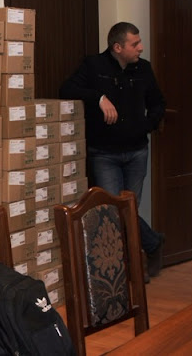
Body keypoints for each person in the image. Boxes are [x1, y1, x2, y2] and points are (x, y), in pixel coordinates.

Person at [60, 22, 166, 280]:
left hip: (137, 152)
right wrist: (99, 98)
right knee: (114, 210)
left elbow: (158, 103)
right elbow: (66, 89)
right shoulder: (93, 66)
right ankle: (151, 245)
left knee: (128, 209)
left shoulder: (144, 68)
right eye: (135, 44)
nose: (141, 48)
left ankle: (136, 266)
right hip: (104, 153)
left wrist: (147, 125)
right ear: (118, 47)